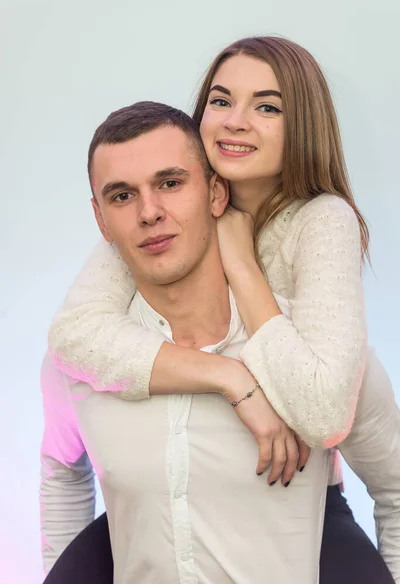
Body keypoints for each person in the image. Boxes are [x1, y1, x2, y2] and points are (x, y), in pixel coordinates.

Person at [44, 37, 400, 582]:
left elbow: (327, 413)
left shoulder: (322, 220)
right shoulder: (151, 217)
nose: (236, 121)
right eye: (220, 100)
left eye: (267, 106)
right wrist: (230, 377)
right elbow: (73, 336)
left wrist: (241, 262)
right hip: (165, 504)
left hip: (298, 499)